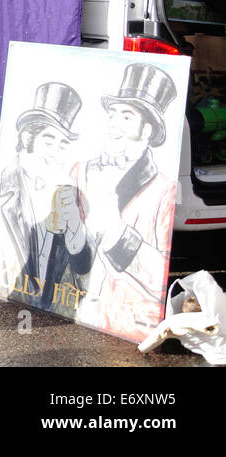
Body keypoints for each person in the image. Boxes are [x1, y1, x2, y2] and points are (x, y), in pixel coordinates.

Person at [79, 62, 179, 341]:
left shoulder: (164, 190)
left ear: (147, 130)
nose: (113, 123)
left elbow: (160, 271)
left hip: (128, 320)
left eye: (126, 116)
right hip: (80, 307)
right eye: (112, 114)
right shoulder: (83, 170)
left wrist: (119, 236)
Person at [0, 82, 93, 317]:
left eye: (62, 144)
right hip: (11, 307)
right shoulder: (7, 187)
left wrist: (75, 226)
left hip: (52, 314)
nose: (54, 152)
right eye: (49, 140)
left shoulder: (71, 195)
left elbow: (86, 276)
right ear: (28, 138)